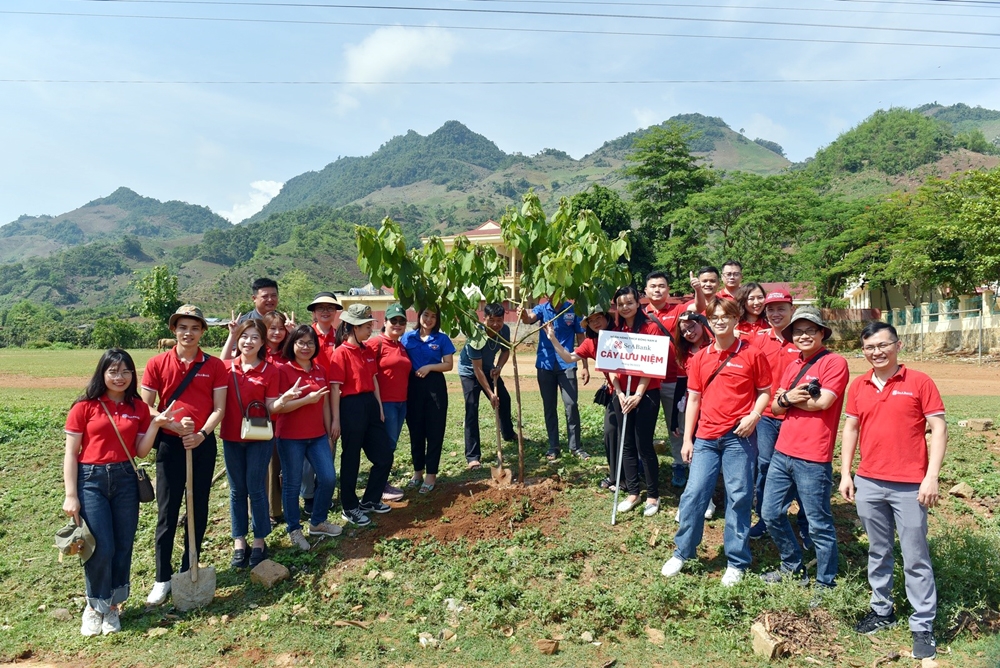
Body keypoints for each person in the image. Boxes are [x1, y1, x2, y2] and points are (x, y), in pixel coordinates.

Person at [839, 322, 946, 661]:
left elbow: (939, 429)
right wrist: (846, 473)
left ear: (898, 346)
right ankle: (882, 611)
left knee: (916, 557)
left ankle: (922, 625)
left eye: (883, 345)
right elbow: (851, 428)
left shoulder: (919, 382)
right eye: (870, 347)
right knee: (878, 551)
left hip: (911, 485)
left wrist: (931, 477)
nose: (877, 352)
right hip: (869, 482)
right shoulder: (859, 385)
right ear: (864, 350)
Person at [64, 349, 180, 635]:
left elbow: (140, 452)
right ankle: (94, 607)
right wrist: (71, 494)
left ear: (132, 375)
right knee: (100, 546)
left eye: (126, 371)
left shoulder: (138, 407)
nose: (120, 377)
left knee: (123, 545)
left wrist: (155, 424)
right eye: (113, 371)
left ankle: (114, 607)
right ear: (102, 373)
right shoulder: (85, 406)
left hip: (126, 479)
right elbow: (70, 454)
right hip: (90, 479)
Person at [662, 297, 771, 587]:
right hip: (706, 438)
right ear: (708, 321)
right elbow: (694, 399)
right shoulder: (700, 358)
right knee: (694, 494)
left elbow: (764, 391)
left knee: (739, 497)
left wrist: (755, 416)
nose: (720, 320)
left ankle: (736, 560)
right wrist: (688, 439)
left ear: (736, 319)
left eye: (726, 316)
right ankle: (683, 551)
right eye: (715, 316)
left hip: (739, 437)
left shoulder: (752, 354)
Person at [140, 305, 228, 606]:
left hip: (202, 444)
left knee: (198, 507)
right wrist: (171, 424)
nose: (187, 333)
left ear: (202, 331)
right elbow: (146, 407)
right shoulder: (156, 363)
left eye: (193, 327)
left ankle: (189, 565)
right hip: (168, 445)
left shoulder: (215, 365)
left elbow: (219, 408)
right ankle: (162, 578)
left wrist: (201, 434)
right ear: (174, 331)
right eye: (182, 327)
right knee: (167, 511)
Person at [761, 307, 849, 591]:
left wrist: (787, 399)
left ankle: (826, 582)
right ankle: (791, 565)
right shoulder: (792, 366)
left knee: (818, 523)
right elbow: (774, 407)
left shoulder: (835, 363)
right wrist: (787, 398)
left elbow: (823, 403)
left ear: (822, 332)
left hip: (813, 456)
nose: (804, 336)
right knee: (770, 513)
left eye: (811, 330)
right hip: (782, 451)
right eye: (798, 331)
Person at [219, 320, 302, 569]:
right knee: (236, 491)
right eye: (245, 336)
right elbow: (219, 362)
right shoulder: (228, 368)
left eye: (255, 337)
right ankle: (239, 541)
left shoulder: (270, 371)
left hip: (260, 437)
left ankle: (259, 540)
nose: (249, 342)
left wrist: (282, 400)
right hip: (231, 437)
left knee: (256, 488)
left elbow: (270, 408)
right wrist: (231, 336)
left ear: (262, 342)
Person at [747, 289, 810, 543]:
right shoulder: (759, 341)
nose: (775, 314)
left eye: (781, 308)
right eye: (770, 309)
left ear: (791, 309)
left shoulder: (803, 340)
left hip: (798, 417)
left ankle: (806, 523)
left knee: (802, 469)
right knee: (765, 467)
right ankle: (766, 518)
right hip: (766, 417)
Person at [275, 325, 342, 550]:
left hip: (317, 436)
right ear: (292, 344)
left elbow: (322, 403)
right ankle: (294, 529)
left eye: (310, 343)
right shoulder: (282, 370)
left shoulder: (319, 370)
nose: (305, 347)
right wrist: (305, 400)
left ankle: (317, 522)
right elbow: (277, 408)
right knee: (292, 485)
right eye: (300, 342)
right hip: (290, 437)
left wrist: (329, 431)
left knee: (328, 477)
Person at [330, 304, 396, 526]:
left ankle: (370, 500)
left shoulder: (367, 350)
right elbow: (335, 389)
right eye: (366, 326)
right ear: (352, 327)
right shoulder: (340, 353)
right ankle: (349, 507)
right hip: (350, 406)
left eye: (370, 325)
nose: (370, 330)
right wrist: (336, 420)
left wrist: (378, 407)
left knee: (384, 455)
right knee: (351, 457)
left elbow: (374, 379)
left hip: (369, 405)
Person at [644, 270, 706, 488]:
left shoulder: (678, 309)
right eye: (653, 286)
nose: (657, 289)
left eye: (662, 286)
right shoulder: (641, 313)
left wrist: (697, 288)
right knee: (645, 426)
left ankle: (681, 463)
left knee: (678, 426)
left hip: (675, 379)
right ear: (646, 291)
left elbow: (697, 308)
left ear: (668, 289)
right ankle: (645, 465)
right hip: (648, 382)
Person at [545, 305, 617, 488]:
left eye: (598, 318)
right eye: (591, 321)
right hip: (615, 393)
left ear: (607, 317)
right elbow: (569, 358)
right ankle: (616, 475)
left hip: (635, 392)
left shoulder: (621, 333)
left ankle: (635, 474)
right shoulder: (591, 343)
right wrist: (553, 339)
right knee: (610, 434)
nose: (595, 322)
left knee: (632, 436)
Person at [609, 286, 665, 517]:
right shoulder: (615, 330)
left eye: (629, 302)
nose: (625, 307)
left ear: (637, 303)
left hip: (646, 394)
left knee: (644, 445)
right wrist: (620, 392)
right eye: (620, 304)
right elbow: (609, 363)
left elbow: (651, 365)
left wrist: (638, 395)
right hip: (622, 394)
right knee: (626, 444)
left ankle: (653, 495)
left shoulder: (650, 327)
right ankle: (633, 492)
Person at [520, 296, 588, 460]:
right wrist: (522, 313)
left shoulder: (572, 309)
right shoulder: (542, 309)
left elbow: (581, 339)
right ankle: (553, 446)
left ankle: (575, 447)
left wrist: (585, 366)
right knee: (549, 406)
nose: (553, 295)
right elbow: (528, 319)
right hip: (545, 365)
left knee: (571, 405)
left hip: (567, 365)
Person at [402, 306, 455, 494]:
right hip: (412, 387)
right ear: (419, 315)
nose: (429, 319)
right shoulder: (407, 338)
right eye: (426, 314)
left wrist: (430, 367)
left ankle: (431, 474)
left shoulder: (442, 339)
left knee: (434, 430)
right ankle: (418, 472)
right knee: (415, 430)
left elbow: (448, 364)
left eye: (434, 316)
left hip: (435, 387)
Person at [672, 311, 717, 521]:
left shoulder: (718, 345)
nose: (690, 332)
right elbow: (682, 385)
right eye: (685, 330)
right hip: (694, 409)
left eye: (692, 326)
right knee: (695, 454)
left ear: (703, 324)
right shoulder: (686, 354)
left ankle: (711, 497)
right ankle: (700, 501)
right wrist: (674, 417)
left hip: (718, 408)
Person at [458, 303, 515, 468]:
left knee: (504, 399)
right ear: (484, 319)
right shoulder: (476, 335)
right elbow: (477, 369)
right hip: (470, 372)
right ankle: (473, 456)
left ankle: (508, 433)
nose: (495, 324)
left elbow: (505, 351)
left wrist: (498, 367)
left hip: (489, 369)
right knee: (472, 409)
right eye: (491, 320)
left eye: (499, 320)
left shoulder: (504, 331)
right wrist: (490, 394)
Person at [367, 303, 411, 502]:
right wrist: (376, 404)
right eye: (394, 320)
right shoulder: (377, 343)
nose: (398, 324)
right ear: (385, 322)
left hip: (401, 403)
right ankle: (380, 486)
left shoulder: (400, 345)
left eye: (402, 321)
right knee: (386, 446)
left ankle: (382, 483)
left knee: (391, 445)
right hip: (386, 403)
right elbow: (368, 372)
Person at [308, 292, 343, 372]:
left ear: (335, 312)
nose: (325, 311)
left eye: (330, 308)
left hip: (336, 382)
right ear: (314, 312)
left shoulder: (340, 337)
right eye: (320, 308)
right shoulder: (306, 335)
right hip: (313, 382)